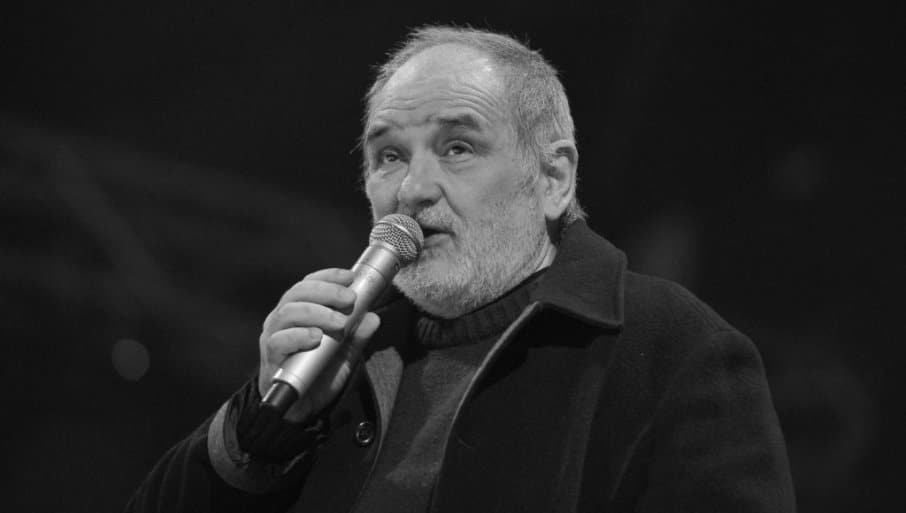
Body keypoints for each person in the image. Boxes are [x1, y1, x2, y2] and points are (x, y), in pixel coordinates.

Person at [127, 26, 796, 512]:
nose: (413, 189)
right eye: (389, 156)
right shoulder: (347, 354)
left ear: (553, 178)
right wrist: (263, 431)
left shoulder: (671, 347)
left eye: (457, 147)